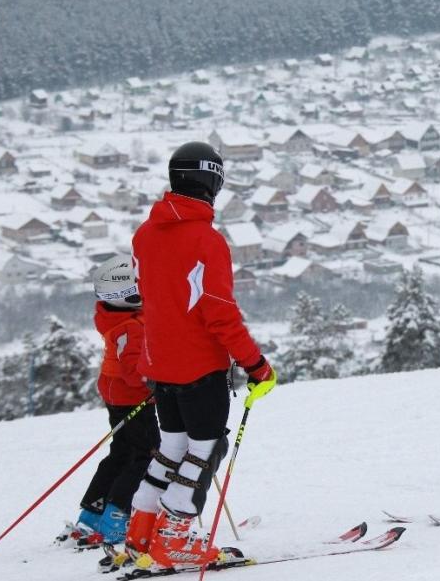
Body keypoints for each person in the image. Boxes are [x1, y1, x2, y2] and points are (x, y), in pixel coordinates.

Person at [123, 141, 277, 569]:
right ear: (212, 181)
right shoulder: (207, 241)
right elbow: (221, 316)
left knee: (171, 447)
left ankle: (141, 532)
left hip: (159, 368)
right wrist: (258, 367)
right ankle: (175, 538)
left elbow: (147, 298)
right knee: (204, 450)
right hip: (199, 369)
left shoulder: (144, 234)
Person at [62, 256, 159, 547]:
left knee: (122, 452)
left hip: (115, 393)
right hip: (132, 396)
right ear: (126, 294)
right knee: (145, 455)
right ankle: (117, 517)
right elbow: (134, 372)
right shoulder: (132, 327)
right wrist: (160, 382)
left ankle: (92, 515)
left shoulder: (113, 317)